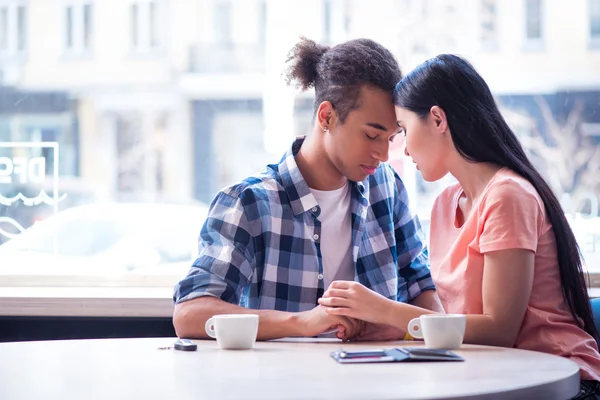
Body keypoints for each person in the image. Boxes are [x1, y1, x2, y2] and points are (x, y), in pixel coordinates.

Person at [318, 54, 600, 396]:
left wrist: (386, 309)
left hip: (559, 379)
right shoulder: (443, 205)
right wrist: (400, 330)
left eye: (404, 131)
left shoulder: (508, 196)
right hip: (493, 375)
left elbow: (499, 332)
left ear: (437, 119)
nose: (404, 151)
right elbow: (461, 327)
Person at [172, 37, 443, 342]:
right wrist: (303, 322)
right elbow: (189, 314)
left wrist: (400, 325)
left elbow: (424, 290)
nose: (382, 154)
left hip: (379, 384)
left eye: (391, 138)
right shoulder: (249, 204)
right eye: (371, 135)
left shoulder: (388, 188)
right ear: (327, 116)